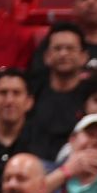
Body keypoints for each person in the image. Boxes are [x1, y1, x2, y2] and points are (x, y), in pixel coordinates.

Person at [26, 23, 88, 161]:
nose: (63, 53)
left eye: (70, 48)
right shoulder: (31, 91)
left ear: (84, 57)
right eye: (57, 48)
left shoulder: (93, 94)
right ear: (47, 56)